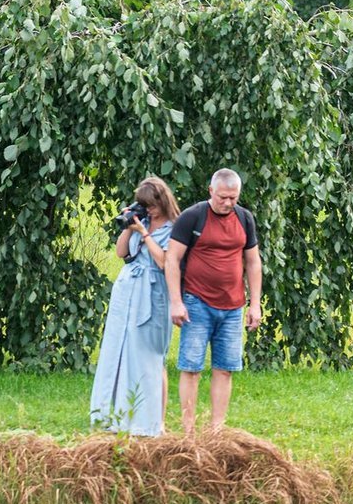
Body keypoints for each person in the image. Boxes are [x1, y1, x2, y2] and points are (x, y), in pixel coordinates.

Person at [163, 168, 263, 436]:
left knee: (225, 369)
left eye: (233, 198)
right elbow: (171, 259)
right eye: (223, 197)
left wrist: (255, 304)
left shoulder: (244, 219)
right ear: (211, 191)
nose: (228, 203)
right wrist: (176, 301)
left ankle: (216, 431)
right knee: (191, 368)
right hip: (196, 303)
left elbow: (253, 262)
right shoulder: (192, 217)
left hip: (232, 308)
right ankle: (189, 431)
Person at [89, 177, 180, 435]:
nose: (148, 210)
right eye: (144, 205)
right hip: (127, 288)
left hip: (153, 292)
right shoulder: (142, 220)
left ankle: (155, 423)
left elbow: (164, 262)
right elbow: (121, 253)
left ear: (162, 201)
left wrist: (144, 233)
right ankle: (117, 416)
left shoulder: (176, 227)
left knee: (152, 356)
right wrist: (128, 225)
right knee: (119, 351)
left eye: (151, 205)